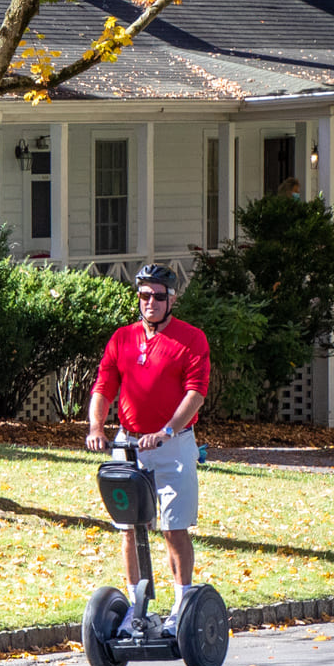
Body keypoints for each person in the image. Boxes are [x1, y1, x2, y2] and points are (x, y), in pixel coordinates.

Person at [85, 263, 211, 633]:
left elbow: (196, 393)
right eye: (144, 296)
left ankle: (181, 605)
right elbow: (103, 387)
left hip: (173, 445)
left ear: (172, 299)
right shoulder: (122, 339)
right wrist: (96, 426)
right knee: (129, 527)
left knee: (174, 527)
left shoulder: (191, 339)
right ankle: (135, 609)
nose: (150, 303)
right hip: (128, 443)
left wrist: (167, 431)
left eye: (158, 296)